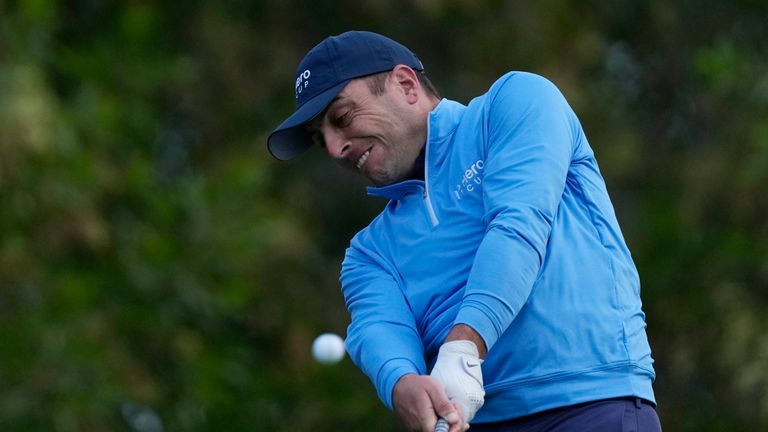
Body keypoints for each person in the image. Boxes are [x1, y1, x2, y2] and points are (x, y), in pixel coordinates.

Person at [267, 30, 662, 432]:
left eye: (342, 118)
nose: (335, 148)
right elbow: (379, 328)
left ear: (405, 84)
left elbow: (518, 225)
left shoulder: (516, 102)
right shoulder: (368, 254)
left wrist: (463, 347)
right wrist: (403, 383)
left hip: (593, 403)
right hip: (476, 423)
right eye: (322, 139)